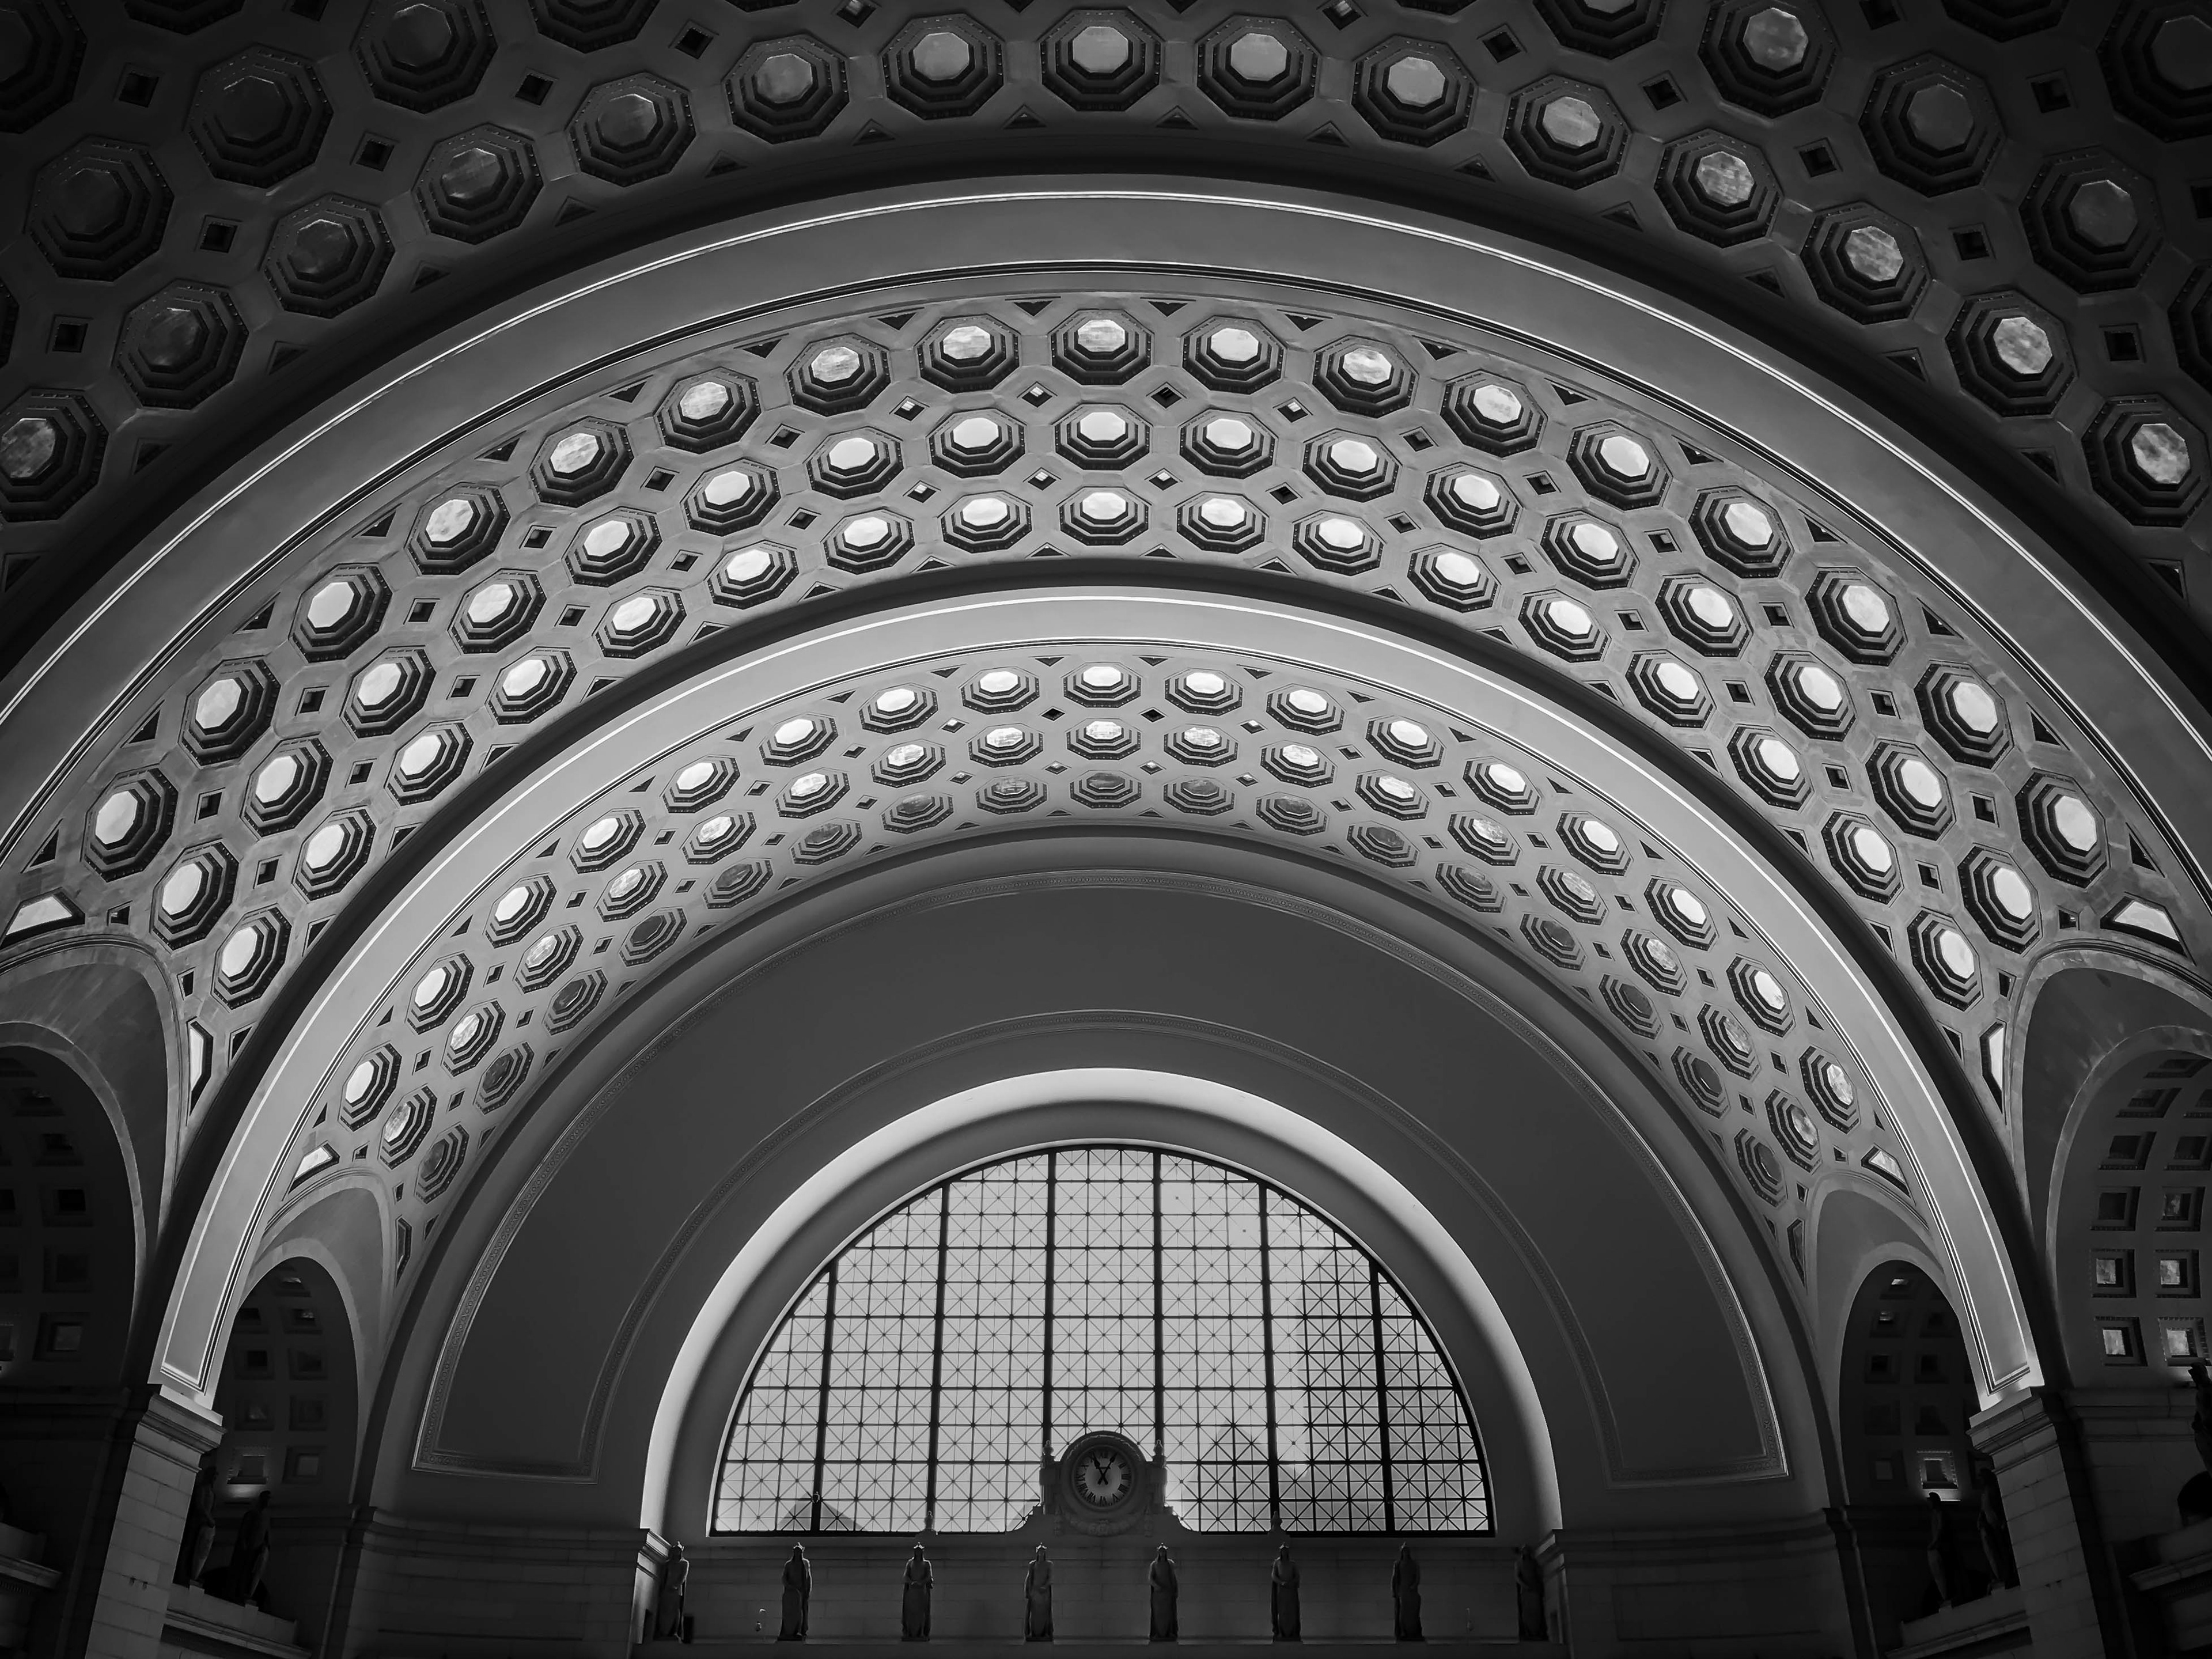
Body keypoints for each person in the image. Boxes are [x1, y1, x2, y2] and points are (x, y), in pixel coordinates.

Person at [224, 1490, 272, 1607]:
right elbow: (244, 1530)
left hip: (256, 1550)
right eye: (266, 1499)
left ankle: (243, 1593)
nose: (267, 1502)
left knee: (249, 1572)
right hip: (247, 1549)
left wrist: (266, 1546)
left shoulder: (266, 1517)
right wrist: (244, 1544)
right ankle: (234, 1593)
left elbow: (266, 1534)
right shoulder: (252, 1514)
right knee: (240, 1571)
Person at [177, 1455, 218, 1588]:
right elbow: (200, 1505)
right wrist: (208, 1518)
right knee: (189, 1546)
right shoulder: (202, 1489)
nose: (214, 1479)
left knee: (200, 1550)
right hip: (197, 1523)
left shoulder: (212, 1492)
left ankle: (193, 1573)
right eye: (213, 1476)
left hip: (205, 1525)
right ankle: (182, 1572)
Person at [1926, 1493, 1957, 1611]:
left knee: (1946, 1572)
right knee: (1942, 1573)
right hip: (1939, 1547)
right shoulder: (1935, 1514)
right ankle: (1947, 1596)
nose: (1929, 1503)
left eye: (1930, 1501)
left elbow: (1941, 1529)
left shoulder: (1940, 1513)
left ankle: (1950, 1595)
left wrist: (1935, 1543)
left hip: (1943, 1548)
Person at [656, 1542, 690, 1641]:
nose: (676, 1553)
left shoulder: (684, 1563)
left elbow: (683, 1576)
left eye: (678, 1551)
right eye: (675, 1551)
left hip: (676, 1590)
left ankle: (674, 1631)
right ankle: (663, 1631)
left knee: (675, 1611)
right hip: (667, 1589)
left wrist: (676, 1585)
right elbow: (664, 1577)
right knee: (665, 1610)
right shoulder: (668, 1564)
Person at [902, 1543, 933, 1642]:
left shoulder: (926, 1564)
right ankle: (909, 1632)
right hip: (912, 1591)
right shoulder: (910, 1563)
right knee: (910, 1612)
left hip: (922, 1591)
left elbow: (929, 1577)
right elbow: (905, 1576)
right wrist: (912, 1582)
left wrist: (921, 1583)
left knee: (922, 1613)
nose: (918, 1553)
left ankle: (922, 1633)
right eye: (916, 1551)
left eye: (920, 1551)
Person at [779, 1544, 810, 1641]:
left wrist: (807, 1591)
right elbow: (784, 1578)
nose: (798, 1554)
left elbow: (808, 1578)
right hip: (791, 1593)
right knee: (789, 1613)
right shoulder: (789, 1564)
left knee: (801, 1612)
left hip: (802, 1592)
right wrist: (790, 1587)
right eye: (796, 1552)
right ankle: (788, 1632)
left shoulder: (805, 1563)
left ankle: (800, 1631)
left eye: (799, 1552)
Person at [1514, 1546, 1546, 1642]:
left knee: (1536, 1612)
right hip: (1526, 1591)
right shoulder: (1519, 1563)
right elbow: (1517, 1577)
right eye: (1525, 1551)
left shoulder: (1534, 1563)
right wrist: (1525, 1586)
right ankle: (1529, 1632)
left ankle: (1536, 1633)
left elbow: (1539, 1574)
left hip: (1534, 1590)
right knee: (1527, 1613)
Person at [1270, 1543, 1300, 1642]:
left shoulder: (1293, 1564)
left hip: (1291, 1591)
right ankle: (1281, 1632)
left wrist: (1291, 1583)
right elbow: (1274, 1576)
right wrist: (1282, 1583)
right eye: (1283, 1551)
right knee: (1281, 1612)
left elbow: (1297, 1576)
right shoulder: (1277, 1563)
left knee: (1292, 1611)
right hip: (1281, 1591)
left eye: (1286, 1551)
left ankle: (1292, 1632)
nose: (1285, 1553)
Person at [1148, 1545, 1178, 1642]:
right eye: (1161, 1551)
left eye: (1164, 1551)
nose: (1162, 1553)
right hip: (1158, 1595)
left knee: (1169, 1614)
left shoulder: (1170, 1564)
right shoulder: (1154, 1565)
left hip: (1168, 1593)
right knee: (1158, 1614)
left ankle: (1169, 1632)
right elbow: (1151, 1578)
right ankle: (1158, 1633)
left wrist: (1175, 1590)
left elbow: (1173, 1578)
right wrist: (1156, 1586)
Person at [1392, 1544, 1422, 1641]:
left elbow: (1417, 1576)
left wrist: (1414, 1585)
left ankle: (1413, 1632)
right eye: (1404, 1551)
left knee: (1413, 1613)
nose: (1406, 1553)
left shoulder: (1413, 1564)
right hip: (1402, 1591)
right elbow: (1395, 1579)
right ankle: (1403, 1631)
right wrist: (1395, 1592)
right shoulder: (1398, 1564)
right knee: (1402, 1613)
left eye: (1407, 1551)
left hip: (1412, 1592)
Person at [1024, 1545, 1053, 1642]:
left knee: (1045, 1614)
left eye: (1043, 1552)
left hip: (1044, 1594)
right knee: (1034, 1614)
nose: (1041, 1554)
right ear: (1037, 1553)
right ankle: (1033, 1633)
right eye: (1040, 1552)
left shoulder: (1049, 1564)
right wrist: (1027, 1591)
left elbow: (1050, 1578)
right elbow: (1029, 1578)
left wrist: (1045, 1587)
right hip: (1035, 1593)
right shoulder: (1033, 1564)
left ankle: (1045, 1632)